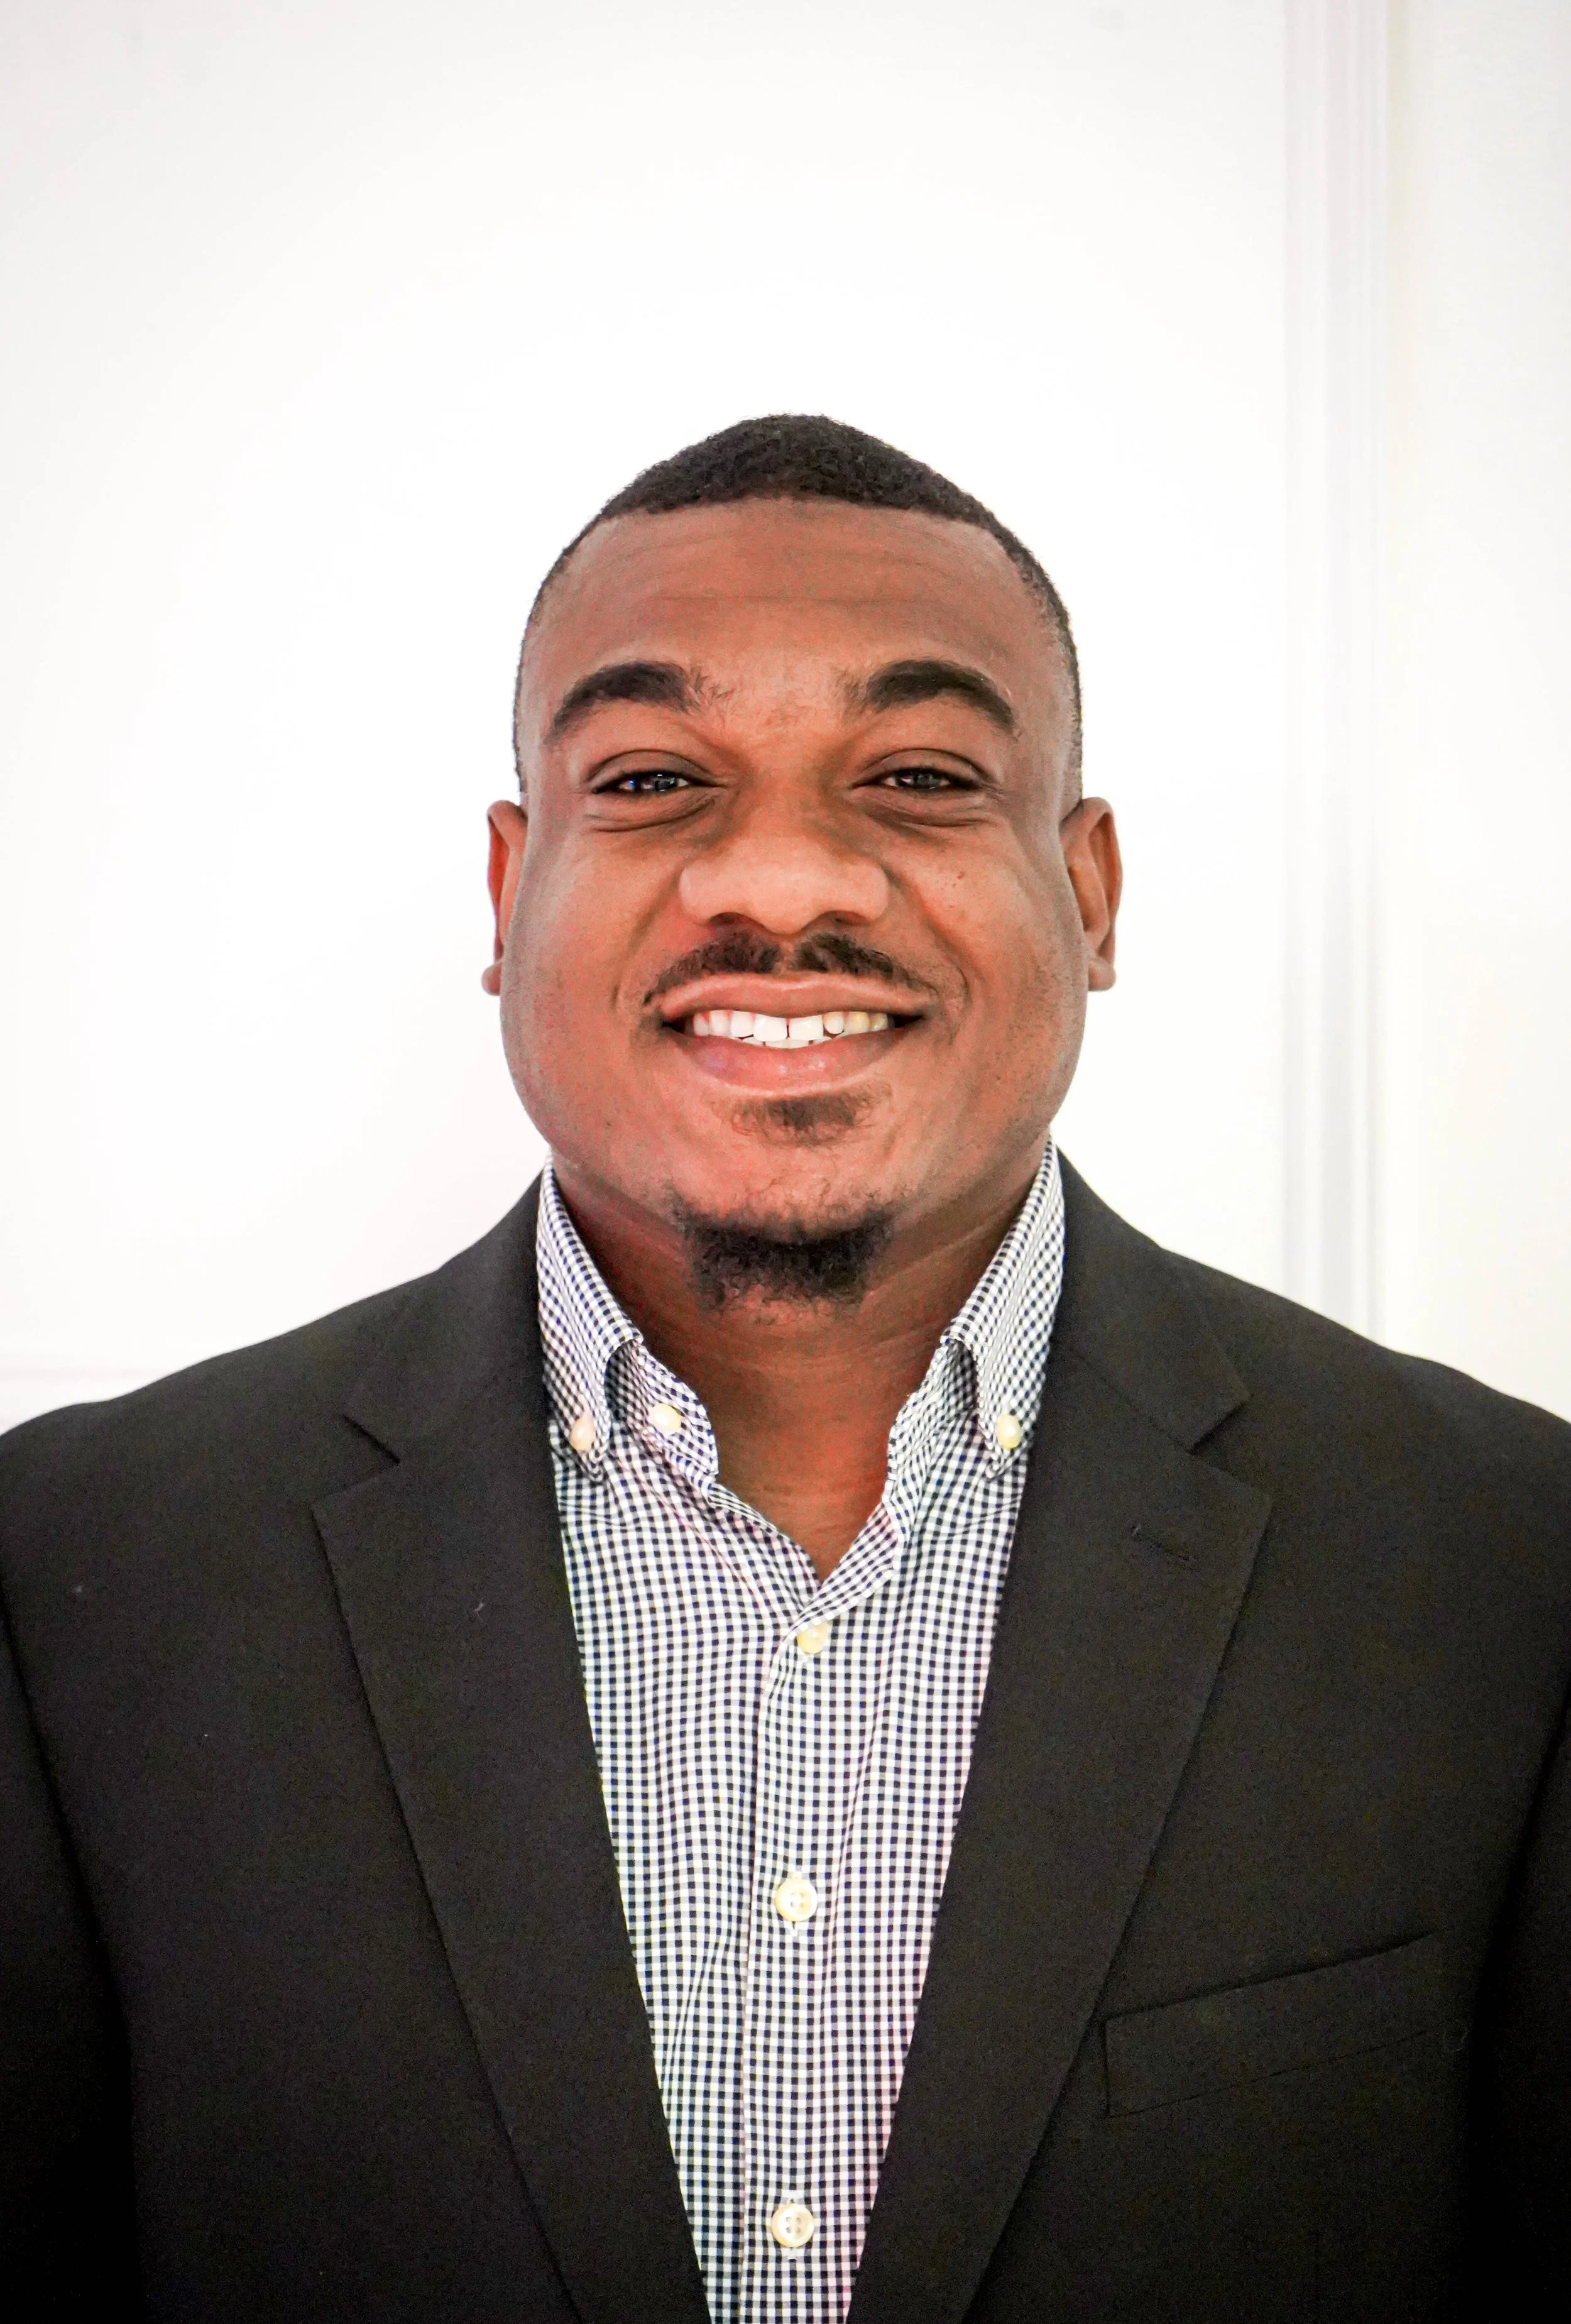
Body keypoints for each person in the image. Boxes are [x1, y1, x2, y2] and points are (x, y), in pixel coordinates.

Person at [1, 415, 1567, 2324]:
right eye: (654, 780)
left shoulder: (1507, 1570)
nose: (780, 876)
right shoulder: (76, 1577)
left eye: (917, 778)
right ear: (508, 891)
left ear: (1088, 893)